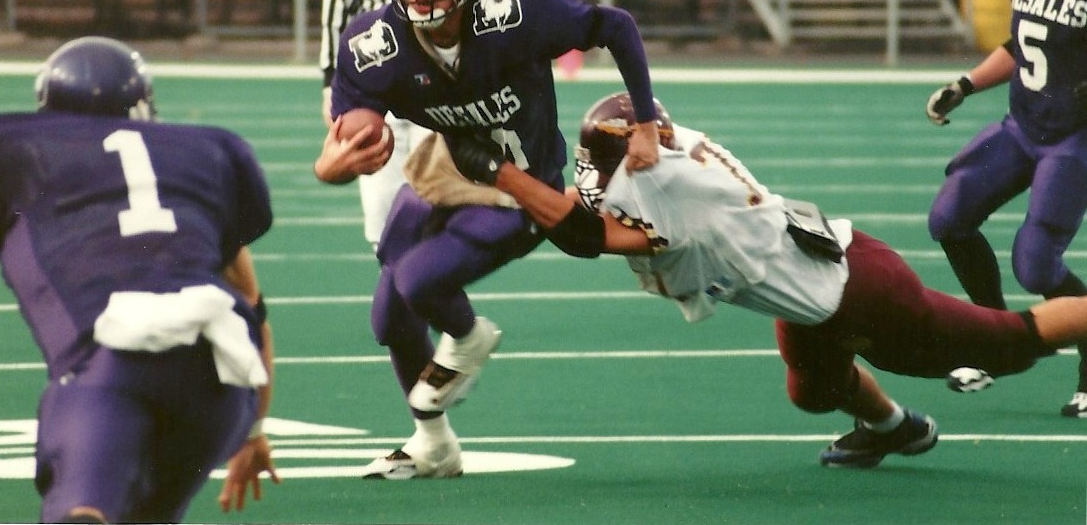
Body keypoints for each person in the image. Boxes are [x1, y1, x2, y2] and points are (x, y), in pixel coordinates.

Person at [441, 91, 1087, 468]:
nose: (597, 176)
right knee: (812, 390)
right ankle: (899, 431)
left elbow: (588, 239)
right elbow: (594, 198)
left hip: (860, 290)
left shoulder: (666, 185)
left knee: (1008, 343)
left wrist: (501, 175)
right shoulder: (664, 150)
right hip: (815, 279)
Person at [313, 0, 661, 480]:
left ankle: (470, 337)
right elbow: (352, 133)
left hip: (522, 186)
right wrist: (332, 165)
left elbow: (615, 25)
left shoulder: (512, 10)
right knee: (389, 319)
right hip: (446, 169)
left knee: (420, 280)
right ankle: (435, 445)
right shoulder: (374, 41)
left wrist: (645, 122)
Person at [0, 37, 278, 522]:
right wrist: (253, 432)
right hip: (222, 378)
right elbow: (253, 307)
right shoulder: (203, 154)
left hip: (113, 362)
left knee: (82, 512)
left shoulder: (27, 157)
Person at [925, 0, 1087, 417]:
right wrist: (965, 84)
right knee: (949, 217)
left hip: (1073, 138)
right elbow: (1021, 43)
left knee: (1036, 264)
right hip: (1023, 125)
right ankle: (994, 338)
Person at [318, 0, 441, 251]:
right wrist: (328, 81)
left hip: (438, 84)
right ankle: (395, 279)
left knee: (437, 196)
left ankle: (429, 285)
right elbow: (337, 6)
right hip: (375, 83)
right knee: (380, 200)